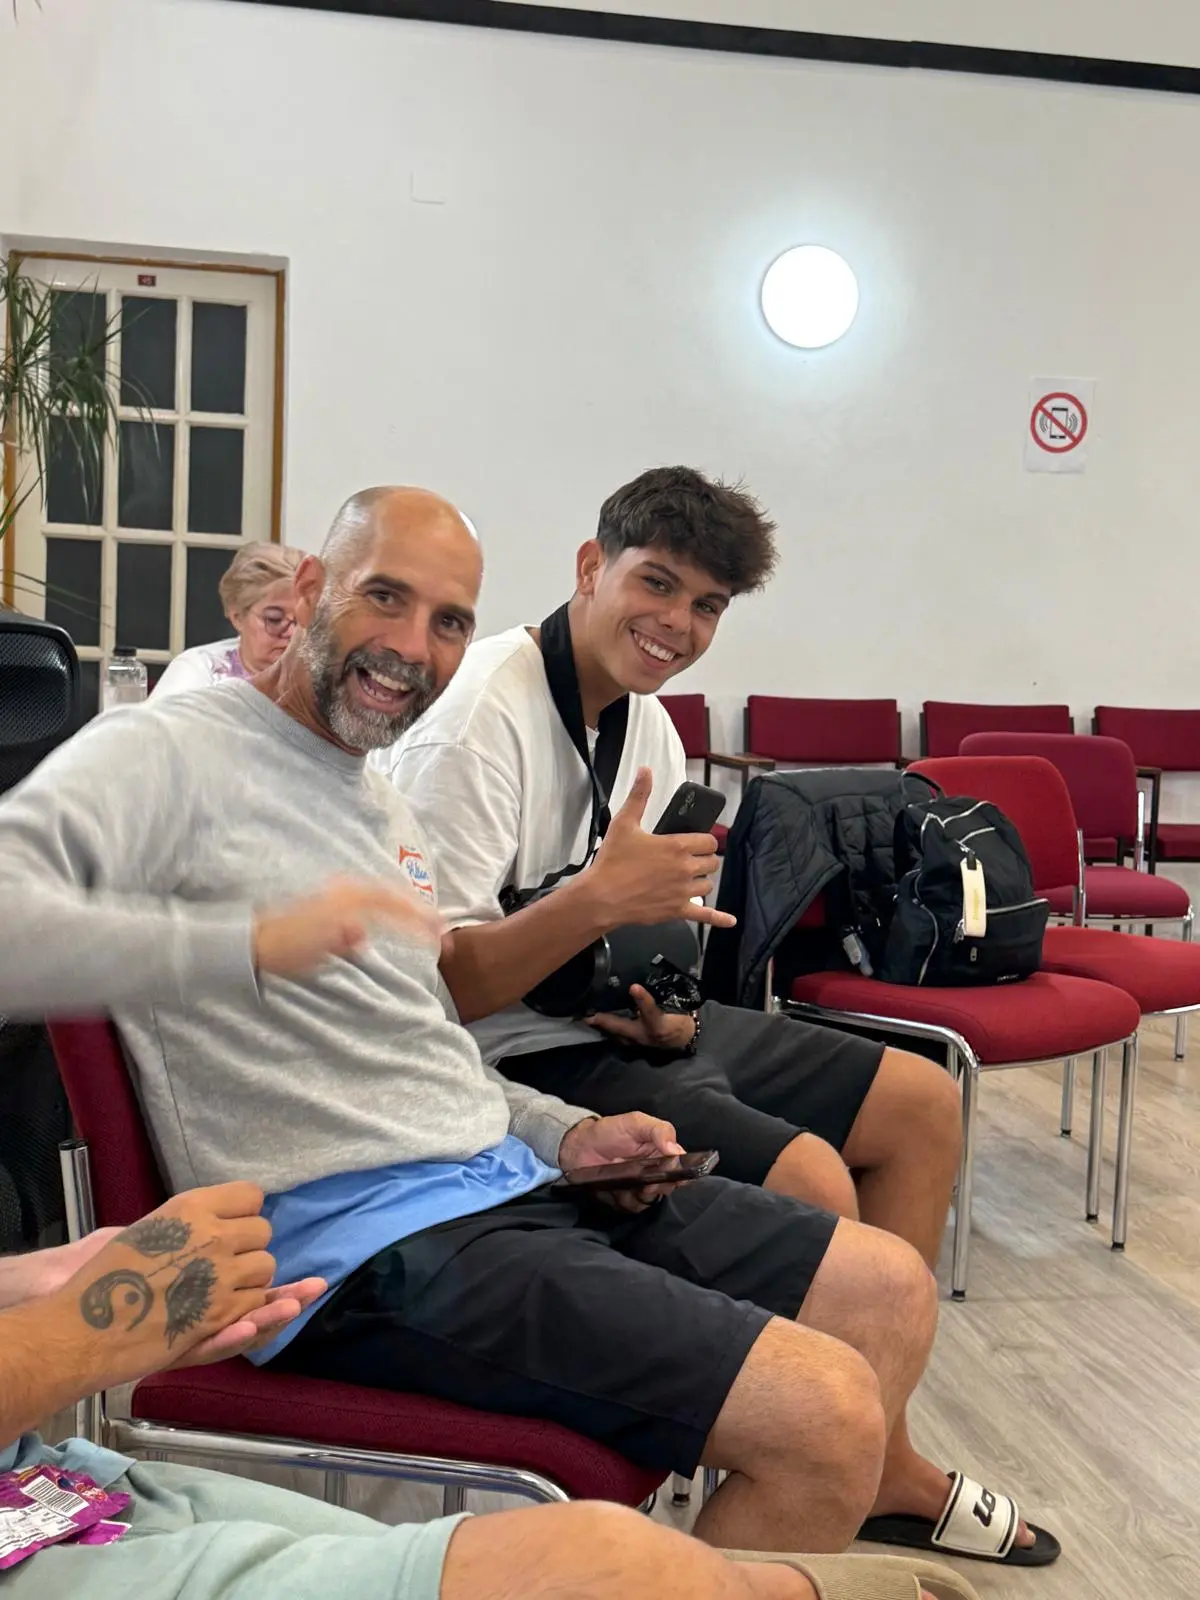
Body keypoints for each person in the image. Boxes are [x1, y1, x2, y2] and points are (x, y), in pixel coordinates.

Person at [0, 485, 999, 1569]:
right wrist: (243, 943)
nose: (412, 647)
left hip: (501, 1179)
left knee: (887, 1291)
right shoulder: (172, 750)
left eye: (449, 621)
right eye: (385, 597)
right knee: (828, 1418)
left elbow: (425, 1044)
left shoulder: (375, 798)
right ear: (309, 589)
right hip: (356, 1248)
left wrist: (567, 1134)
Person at [376, 466, 1058, 1567]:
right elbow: (437, 989)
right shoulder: (478, 721)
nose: (679, 625)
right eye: (657, 584)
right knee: (814, 1182)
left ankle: (879, 1453)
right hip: (509, 1053)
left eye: (707, 606)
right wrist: (594, 903)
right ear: (590, 568)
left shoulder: (648, 728)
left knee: (922, 1102)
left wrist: (672, 1010)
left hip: (612, 1026)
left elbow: (658, 932)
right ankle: (821, 1446)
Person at [0, 1197, 982, 1600]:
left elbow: (452, 1068)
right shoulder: (193, 855)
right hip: (373, 1236)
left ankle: (886, 1480)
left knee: (882, 1282)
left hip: (503, 1177)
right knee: (612, 1567)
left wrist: (37, 1282)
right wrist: (81, 1331)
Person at [153, 542, 302, 697]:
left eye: (304, 620)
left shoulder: (317, 673)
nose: (292, 633)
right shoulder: (199, 671)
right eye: (274, 619)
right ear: (238, 617)